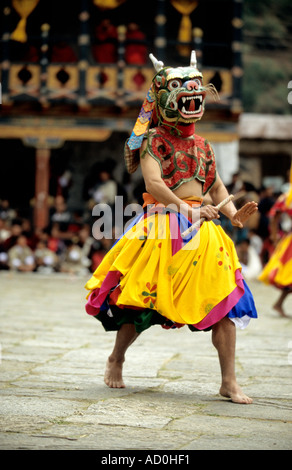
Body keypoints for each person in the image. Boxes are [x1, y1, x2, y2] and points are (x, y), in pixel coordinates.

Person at [85, 51, 258, 404]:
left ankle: (229, 381)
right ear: (164, 100)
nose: (191, 96)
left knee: (224, 298)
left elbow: (217, 189)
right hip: (163, 225)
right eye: (180, 91)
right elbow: (155, 185)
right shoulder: (154, 140)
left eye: (195, 92)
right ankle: (116, 358)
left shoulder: (204, 146)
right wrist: (184, 210)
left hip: (204, 228)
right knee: (139, 301)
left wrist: (231, 213)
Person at [258, 185, 292, 317]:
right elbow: (274, 215)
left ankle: (278, 304)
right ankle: (278, 304)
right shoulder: (288, 197)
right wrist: (273, 235)